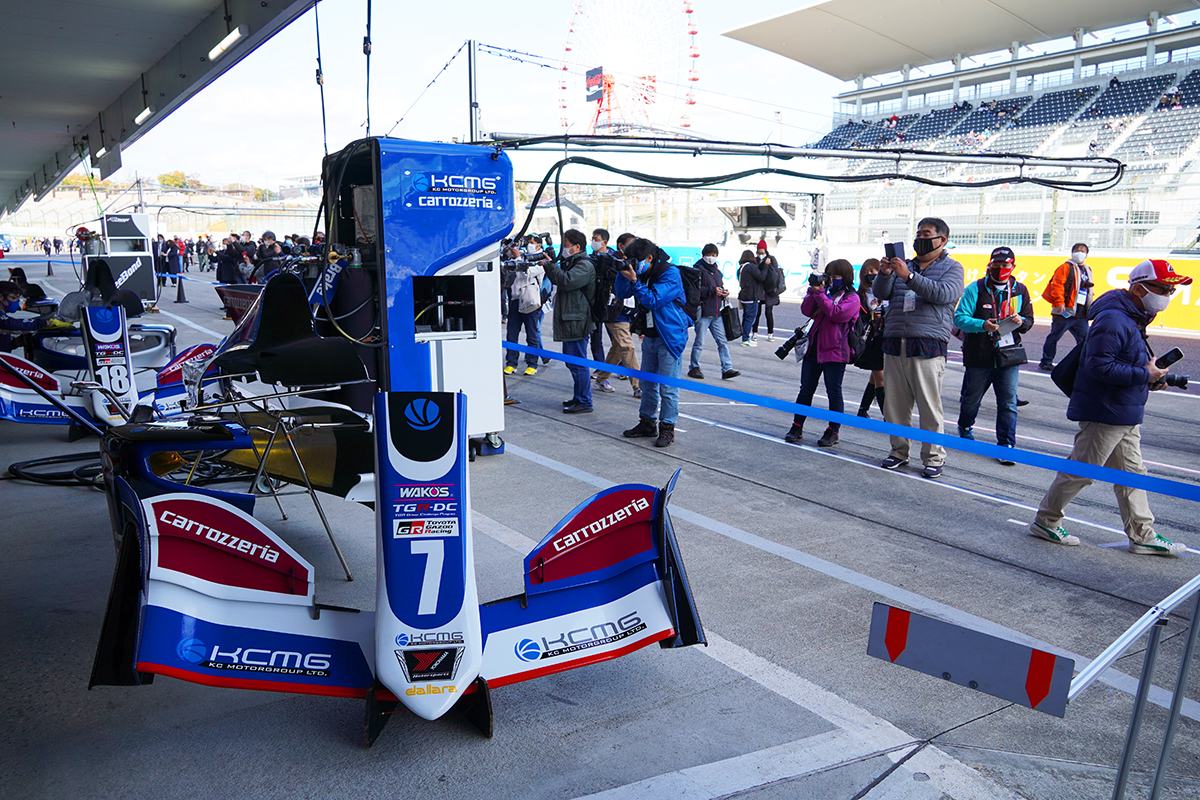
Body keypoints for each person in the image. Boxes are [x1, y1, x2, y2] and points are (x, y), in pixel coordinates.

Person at [1029, 259, 1190, 556]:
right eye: (1164, 288)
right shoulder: (1116, 319)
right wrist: (1146, 375)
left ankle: (1142, 534)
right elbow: (1098, 367)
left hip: (1123, 410)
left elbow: (1124, 362)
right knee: (1080, 472)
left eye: (1172, 289)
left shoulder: (1133, 317)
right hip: (1106, 412)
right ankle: (1045, 521)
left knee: (1133, 475)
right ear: (1140, 289)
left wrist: (1151, 378)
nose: (1169, 294)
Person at [873, 217, 965, 479]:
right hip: (894, 343)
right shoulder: (905, 265)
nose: (920, 239)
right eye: (918, 234)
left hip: (927, 345)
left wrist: (909, 276)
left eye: (926, 234)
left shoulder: (953, 268)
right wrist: (886, 273)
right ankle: (899, 451)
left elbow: (944, 294)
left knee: (929, 407)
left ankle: (934, 457)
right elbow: (881, 292)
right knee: (895, 407)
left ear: (942, 239)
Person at [953, 247, 1034, 465]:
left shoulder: (1020, 290)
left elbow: (1029, 320)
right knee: (972, 398)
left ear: (1013, 266)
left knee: (1008, 402)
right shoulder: (975, 289)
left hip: (1009, 356)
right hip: (979, 354)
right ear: (989, 265)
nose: (1000, 269)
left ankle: (1006, 445)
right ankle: (966, 426)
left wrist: (1021, 322)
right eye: (996, 265)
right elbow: (960, 318)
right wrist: (982, 325)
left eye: (1005, 265)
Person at [616, 238, 688, 448]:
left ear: (649, 257)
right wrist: (623, 274)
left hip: (670, 337)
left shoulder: (670, 273)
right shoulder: (643, 271)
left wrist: (635, 281)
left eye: (635, 260)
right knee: (647, 384)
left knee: (668, 387)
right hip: (650, 335)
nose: (634, 264)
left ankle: (668, 428)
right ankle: (647, 422)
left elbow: (653, 300)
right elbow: (622, 293)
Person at [784, 258, 860, 447]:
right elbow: (806, 310)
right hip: (813, 348)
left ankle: (833, 431)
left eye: (836, 276)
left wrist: (820, 295)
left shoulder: (852, 297)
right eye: (829, 275)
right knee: (805, 390)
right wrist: (814, 291)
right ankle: (796, 426)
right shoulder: (822, 293)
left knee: (834, 392)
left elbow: (836, 314)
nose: (831, 279)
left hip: (836, 351)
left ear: (846, 277)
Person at [542, 229, 596, 414]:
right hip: (571, 319)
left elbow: (566, 281)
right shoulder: (573, 262)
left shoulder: (584, 265)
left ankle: (584, 401)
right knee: (572, 362)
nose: (563, 249)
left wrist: (550, 266)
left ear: (577, 247)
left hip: (578, 320)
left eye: (565, 246)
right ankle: (579, 396)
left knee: (578, 362)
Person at [591, 232, 641, 398]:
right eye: (631, 245)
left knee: (618, 348)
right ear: (621, 246)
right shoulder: (609, 261)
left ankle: (602, 377)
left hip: (630, 310)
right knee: (627, 346)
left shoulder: (635, 262)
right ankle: (639, 386)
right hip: (614, 310)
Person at [687, 243, 739, 381]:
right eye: (709, 255)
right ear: (703, 255)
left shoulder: (717, 272)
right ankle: (694, 367)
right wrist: (711, 290)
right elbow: (694, 290)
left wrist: (723, 292)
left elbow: (719, 286)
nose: (711, 258)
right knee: (699, 342)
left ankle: (727, 368)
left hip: (716, 312)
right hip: (703, 312)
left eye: (714, 255)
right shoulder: (696, 270)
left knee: (722, 341)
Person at [1039, 243, 1093, 370]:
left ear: (1086, 254)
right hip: (1065, 311)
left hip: (1081, 313)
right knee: (1054, 336)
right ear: (1072, 252)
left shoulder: (1087, 269)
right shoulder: (1065, 267)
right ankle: (1046, 361)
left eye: (1082, 251)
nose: (1079, 253)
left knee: (1085, 339)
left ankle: (1082, 362)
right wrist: (1059, 303)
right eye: (1077, 250)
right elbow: (1057, 285)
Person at [503, 253, 546, 376]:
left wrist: (517, 257)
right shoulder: (519, 260)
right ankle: (511, 363)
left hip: (529, 303)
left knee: (532, 335)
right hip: (515, 301)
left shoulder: (539, 265)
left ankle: (532, 364)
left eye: (533, 243)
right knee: (511, 334)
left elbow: (525, 272)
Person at [854, 259, 886, 418]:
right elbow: (857, 319)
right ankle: (888, 416)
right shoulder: (860, 294)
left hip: (886, 337)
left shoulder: (886, 290)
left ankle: (863, 409)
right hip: (870, 340)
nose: (869, 275)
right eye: (865, 272)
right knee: (880, 376)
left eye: (872, 271)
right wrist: (870, 316)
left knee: (875, 376)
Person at [736, 250, 765, 346]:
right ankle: (745, 339)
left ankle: (745, 337)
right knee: (750, 318)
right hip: (752, 297)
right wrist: (766, 266)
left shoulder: (741, 268)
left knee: (745, 317)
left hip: (744, 296)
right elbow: (761, 277)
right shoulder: (751, 267)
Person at [756, 243, 783, 342]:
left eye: (762, 252)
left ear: (766, 250)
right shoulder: (756, 260)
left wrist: (768, 265)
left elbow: (776, 273)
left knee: (769, 312)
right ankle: (755, 332)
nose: (760, 254)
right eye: (759, 252)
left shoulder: (772, 259)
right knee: (757, 312)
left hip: (770, 290)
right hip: (759, 289)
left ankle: (770, 333)